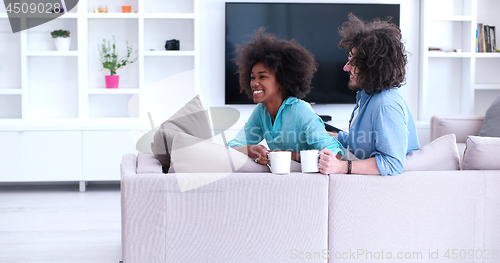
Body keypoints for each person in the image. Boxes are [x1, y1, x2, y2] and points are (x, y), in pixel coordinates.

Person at [318, 14, 419, 176]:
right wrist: (321, 134)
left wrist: (341, 167)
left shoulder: (386, 105)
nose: (345, 67)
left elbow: (392, 163)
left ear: (373, 65)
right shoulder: (367, 96)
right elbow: (359, 141)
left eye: (352, 61)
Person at [227, 28, 344, 164]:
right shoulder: (261, 112)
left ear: (282, 81)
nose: (254, 83)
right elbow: (231, 147)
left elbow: (335, 156)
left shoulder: (300, 110)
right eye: (252, 78)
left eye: (262, 77)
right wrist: (249, 150)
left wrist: (290, 155)